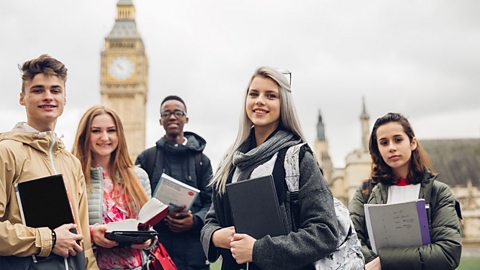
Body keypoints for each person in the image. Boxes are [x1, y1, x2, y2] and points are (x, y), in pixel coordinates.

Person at [200, 66, 339, 270]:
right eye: (253, 94)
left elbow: (325, 232)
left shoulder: (298, 158)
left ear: (284, 104)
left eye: (271, 95)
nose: (259, 101)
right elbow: (211, 220)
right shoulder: (230, 162)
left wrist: (258, 250)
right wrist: (214, 236)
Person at [0, 54, 98, 269]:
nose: (48, 97)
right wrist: (49, 239)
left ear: (65, 98)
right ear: (22, 98)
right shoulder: (6, 152)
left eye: (55, 90)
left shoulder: (71, 162)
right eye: (38, 90)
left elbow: (84, 241)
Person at [349, 112, 462, 270]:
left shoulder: (439, 192)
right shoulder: (365, 193)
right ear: (378, 149)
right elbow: (351, 243)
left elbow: (448, 253)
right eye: (384, 142)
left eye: (398, 139)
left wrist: (384, 262)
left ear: (413, 142)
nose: (392, 148)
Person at [135, 95, 213, 270]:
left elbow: (212, 203)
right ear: (160, 120)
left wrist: (194, 221)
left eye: (177, 113)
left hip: (194, 254)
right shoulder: (147, 158)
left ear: (186, 119)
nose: (172, 117)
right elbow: (135, 202)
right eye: (166, 113)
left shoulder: (202, 161)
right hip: (157, 252)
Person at [72, 105, 154, 270]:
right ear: (84, 136)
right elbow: (64, 229)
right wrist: (92, 234)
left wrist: (147, 239)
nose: (104, 137)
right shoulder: (74, 177)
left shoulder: (140, 177)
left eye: (111, 130)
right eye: (96, 131)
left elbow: (150, 228)